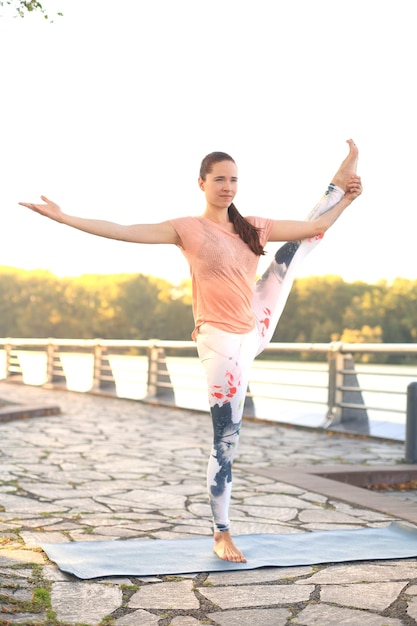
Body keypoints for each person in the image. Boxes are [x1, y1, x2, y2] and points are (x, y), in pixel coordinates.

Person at [19, 139, 362, 563]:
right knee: (226, 441)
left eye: (234, 179)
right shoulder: (187, 228)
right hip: (221, 340)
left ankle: (338, 176)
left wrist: (344, 198)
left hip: (254, 323)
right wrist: (65, 218)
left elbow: (313, 229)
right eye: (220, 179)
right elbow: (124, 231)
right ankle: (221, 532)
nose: (228, 186)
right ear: (201, 183)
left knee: (295, 250)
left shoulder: (252, 226)